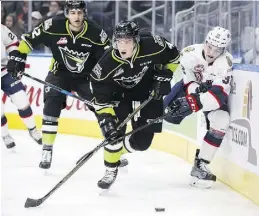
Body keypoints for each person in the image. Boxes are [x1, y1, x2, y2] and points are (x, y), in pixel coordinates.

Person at [7, 0, 110, 169]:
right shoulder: (53, 25)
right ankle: (47, 149)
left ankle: (112, 145)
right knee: (51, 105)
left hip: (86, 77)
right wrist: (19, 58)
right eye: (73, 12)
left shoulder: (96, 33)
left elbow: (109, 58)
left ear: (84, 13)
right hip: (58, 74)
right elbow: (29, 39)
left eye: (79, 12)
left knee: (102, 106)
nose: (76, 16)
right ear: (67, 13)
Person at [90, 20, 180, 190]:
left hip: (148, 89)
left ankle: (118, 151)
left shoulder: (154, 44)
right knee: (114, 132)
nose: (122, 45)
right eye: (119, 41)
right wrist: (106, 118)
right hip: (119, 94)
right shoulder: (106, 63)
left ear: (136, 40)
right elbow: (100, 97)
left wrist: (166, 73)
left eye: (127, 41)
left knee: (143, 143)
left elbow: (174, 56)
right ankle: (110, 169)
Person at [164, 26, 233, 189]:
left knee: (222, 120)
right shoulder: (189, 53)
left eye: (217, 50)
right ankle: (122, 147)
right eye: (209, 47)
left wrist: (196, 102)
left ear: (223, 50)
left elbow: (219, 94)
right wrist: (192, 95)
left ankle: (200, 164)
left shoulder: (226, 62)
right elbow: (188, 81)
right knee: (160, 114)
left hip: (210, 95)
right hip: (190, 87)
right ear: (205, 42)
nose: (211, 52)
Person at [1, 24, 42, 149]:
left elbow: (12, 43)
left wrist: (13, 59)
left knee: (21, 99)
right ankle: (5, 135)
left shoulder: (1, 28)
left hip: (4, 70)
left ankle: (33, 129)